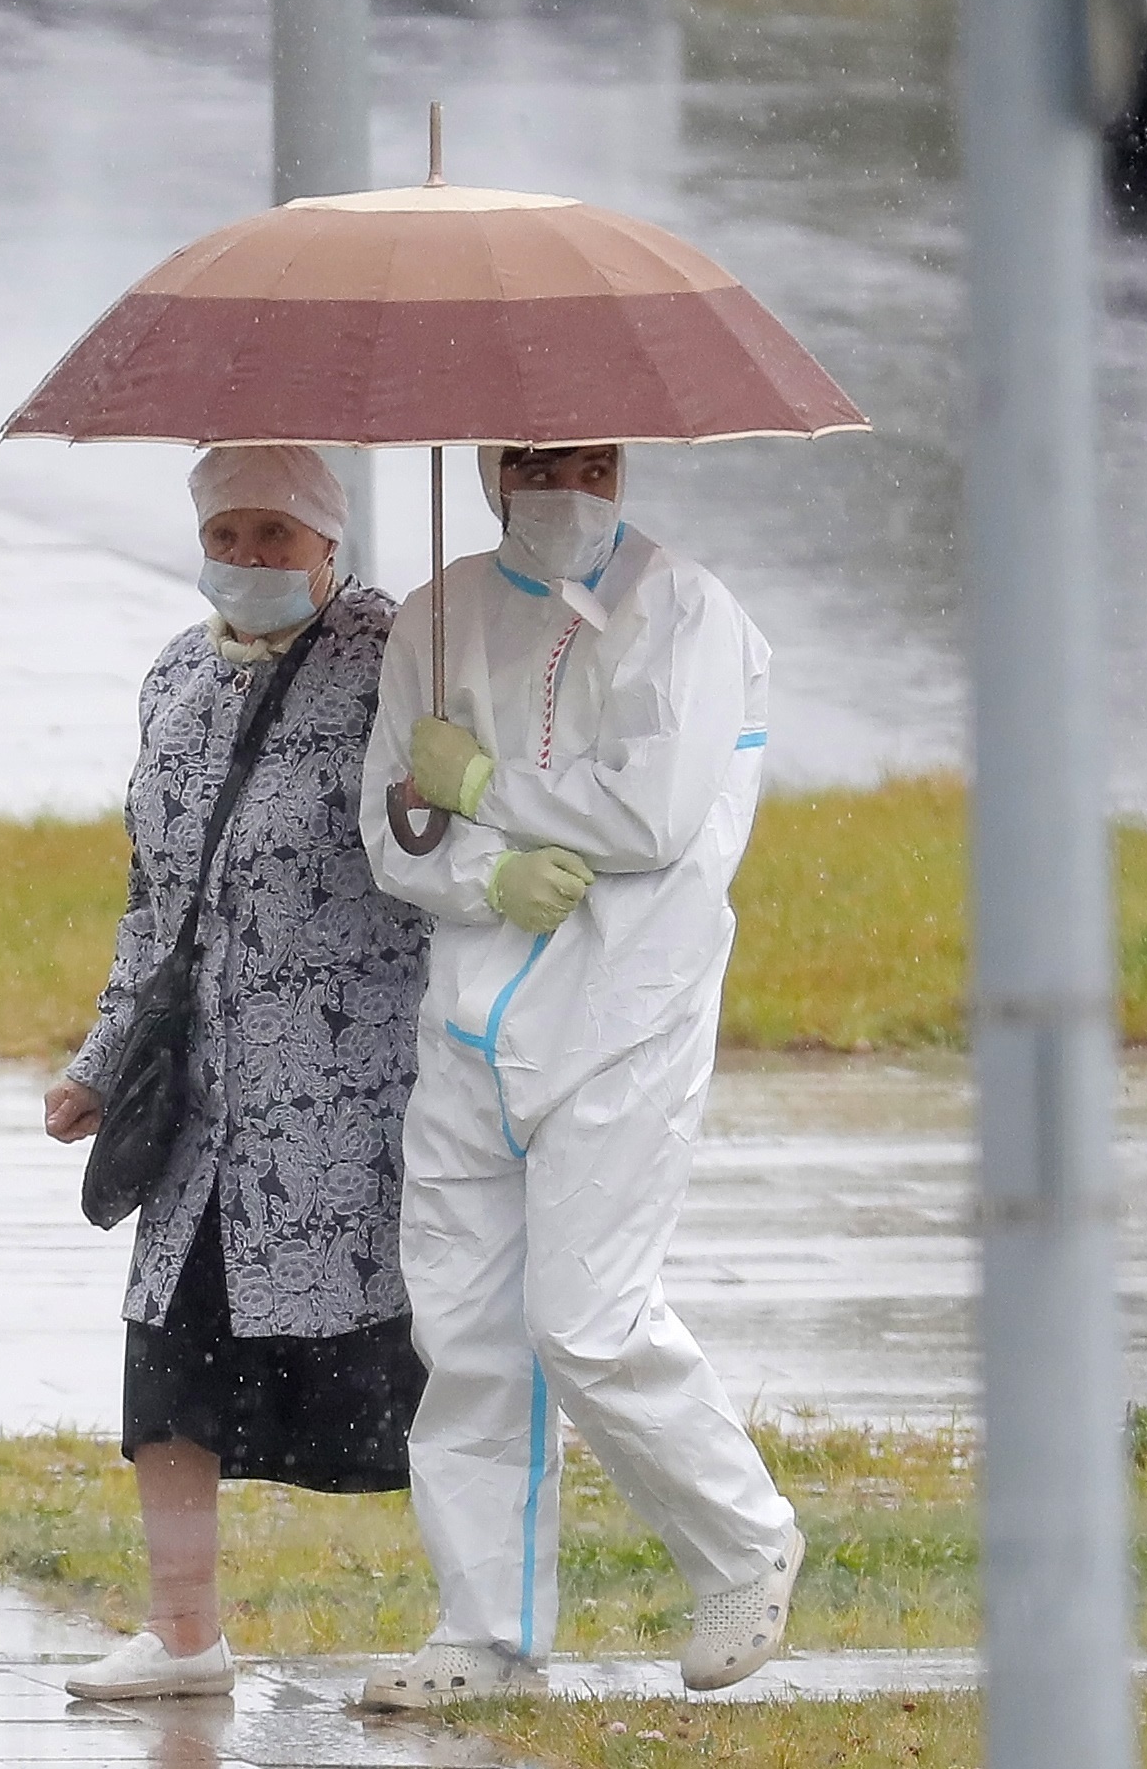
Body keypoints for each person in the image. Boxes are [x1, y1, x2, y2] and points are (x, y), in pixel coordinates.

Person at [354, 441, 803, 1708]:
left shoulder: (691, 614)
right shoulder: (434, 620)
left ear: (626, 464)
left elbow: (653, 816)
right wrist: (475, 871)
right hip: (471, 1016)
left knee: (587, 1321)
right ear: (492, 465)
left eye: (590, 460)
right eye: (538, 459)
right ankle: (486, 1633)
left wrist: (491, 785)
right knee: (468, 1334)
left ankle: (745, 1541)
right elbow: (388, 822)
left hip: (626, 1009)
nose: (565, 483)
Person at [48, 444, 433, 1702]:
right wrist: (101, 1060)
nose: (251, 558)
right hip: (205, 1101)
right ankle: (181, 1633)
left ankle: (485, 1624)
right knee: (171, 1355)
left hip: (353, 1101)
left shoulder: (397, 660)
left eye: (278, 533)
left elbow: (445, 854)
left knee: (424, 1370)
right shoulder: (175, 671)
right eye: (230, 532)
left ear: (332, 544)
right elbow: (155, 896)